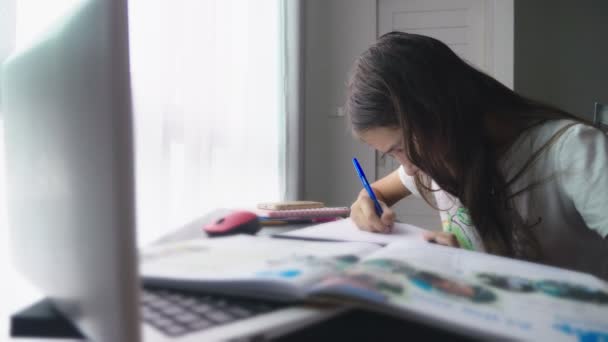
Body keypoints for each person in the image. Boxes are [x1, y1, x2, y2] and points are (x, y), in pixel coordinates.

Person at [346, 31, 608, 280]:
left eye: (401, 146)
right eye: (393, 155)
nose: (409, 168)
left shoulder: (570, 149)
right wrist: (367, 200)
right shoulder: (432, 160)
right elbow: (378, 192)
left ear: (438, 110)